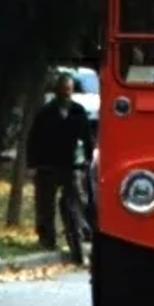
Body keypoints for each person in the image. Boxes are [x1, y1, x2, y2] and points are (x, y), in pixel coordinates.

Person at [26, 75, 94, 264]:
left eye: (69, 89)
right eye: (63, 89)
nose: (66, 93)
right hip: (47, 165)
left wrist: (88, 159)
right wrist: (32, 164)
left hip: (70, 165)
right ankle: (47, 238)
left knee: (74, 204)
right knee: (45, 205)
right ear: (57, 90)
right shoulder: (45, 112)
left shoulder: (78, 111)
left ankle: (77, 238)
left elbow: (87, 137)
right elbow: (34, 139)